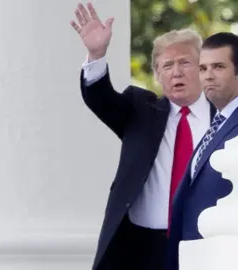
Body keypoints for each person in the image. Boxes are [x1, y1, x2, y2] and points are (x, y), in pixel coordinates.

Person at [70, 2, 217, 270]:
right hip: (143, 248)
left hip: (206, 244)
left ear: (203, 68)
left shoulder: (225, 118)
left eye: (185, 62)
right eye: (167, 65)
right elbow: (100, 98)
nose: (176, 72)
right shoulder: (140, 110)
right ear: (158, 75)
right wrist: (96, 55)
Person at [166, 32, 238, 270]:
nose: (208, 76)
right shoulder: (216, 124)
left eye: (218, 67)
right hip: (196, 255)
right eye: (203, 68)